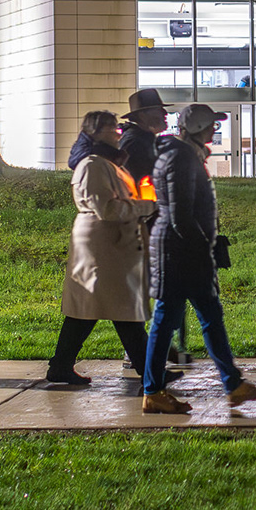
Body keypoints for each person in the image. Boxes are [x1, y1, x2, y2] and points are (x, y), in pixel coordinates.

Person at [140, 103, 256, 413]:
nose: (215, 130)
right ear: (197, 129)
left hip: (179, 250)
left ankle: (228, 384)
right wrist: (206, 249)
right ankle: (157, 391)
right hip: (180, 253)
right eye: (211, 126)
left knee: (194, 317)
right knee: (175, 320)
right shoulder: (182, 158)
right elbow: (181, 216)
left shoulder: (183, 155)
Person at [45, 111, 161, 388]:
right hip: (102, 246)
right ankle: (150, 372)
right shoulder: (93, 165)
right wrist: (147, 206)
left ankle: (61, 364)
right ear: (96, 132)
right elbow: (106, 207)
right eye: (112, 129)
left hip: (110, 245)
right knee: (116, 309)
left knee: (94, 308)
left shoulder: (107, 164)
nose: (118, 133)